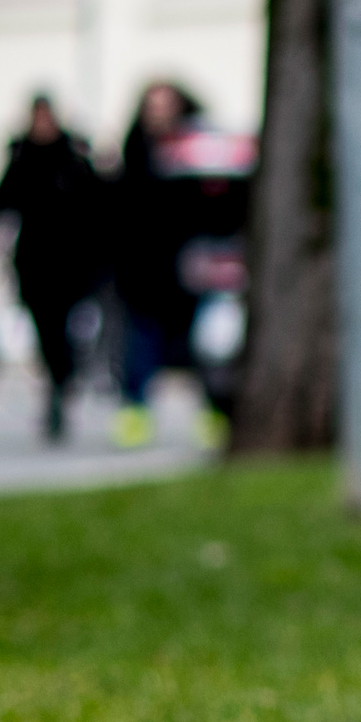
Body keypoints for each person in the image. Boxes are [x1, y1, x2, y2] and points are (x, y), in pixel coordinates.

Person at [0, 94, 105, 441]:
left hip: (72, 264)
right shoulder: (22, 159)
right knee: (46, 331)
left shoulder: (74, 158)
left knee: (67, 331)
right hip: (34, 263)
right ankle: (58, 384)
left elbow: (98, 208)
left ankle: (63, 381)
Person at [111, 82, 208, 448]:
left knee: (202, 345)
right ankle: (135, 414)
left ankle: (214, 412)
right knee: (140, 345)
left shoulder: (194, 152)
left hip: (190, 268)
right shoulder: (134, 152)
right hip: (144, 271)